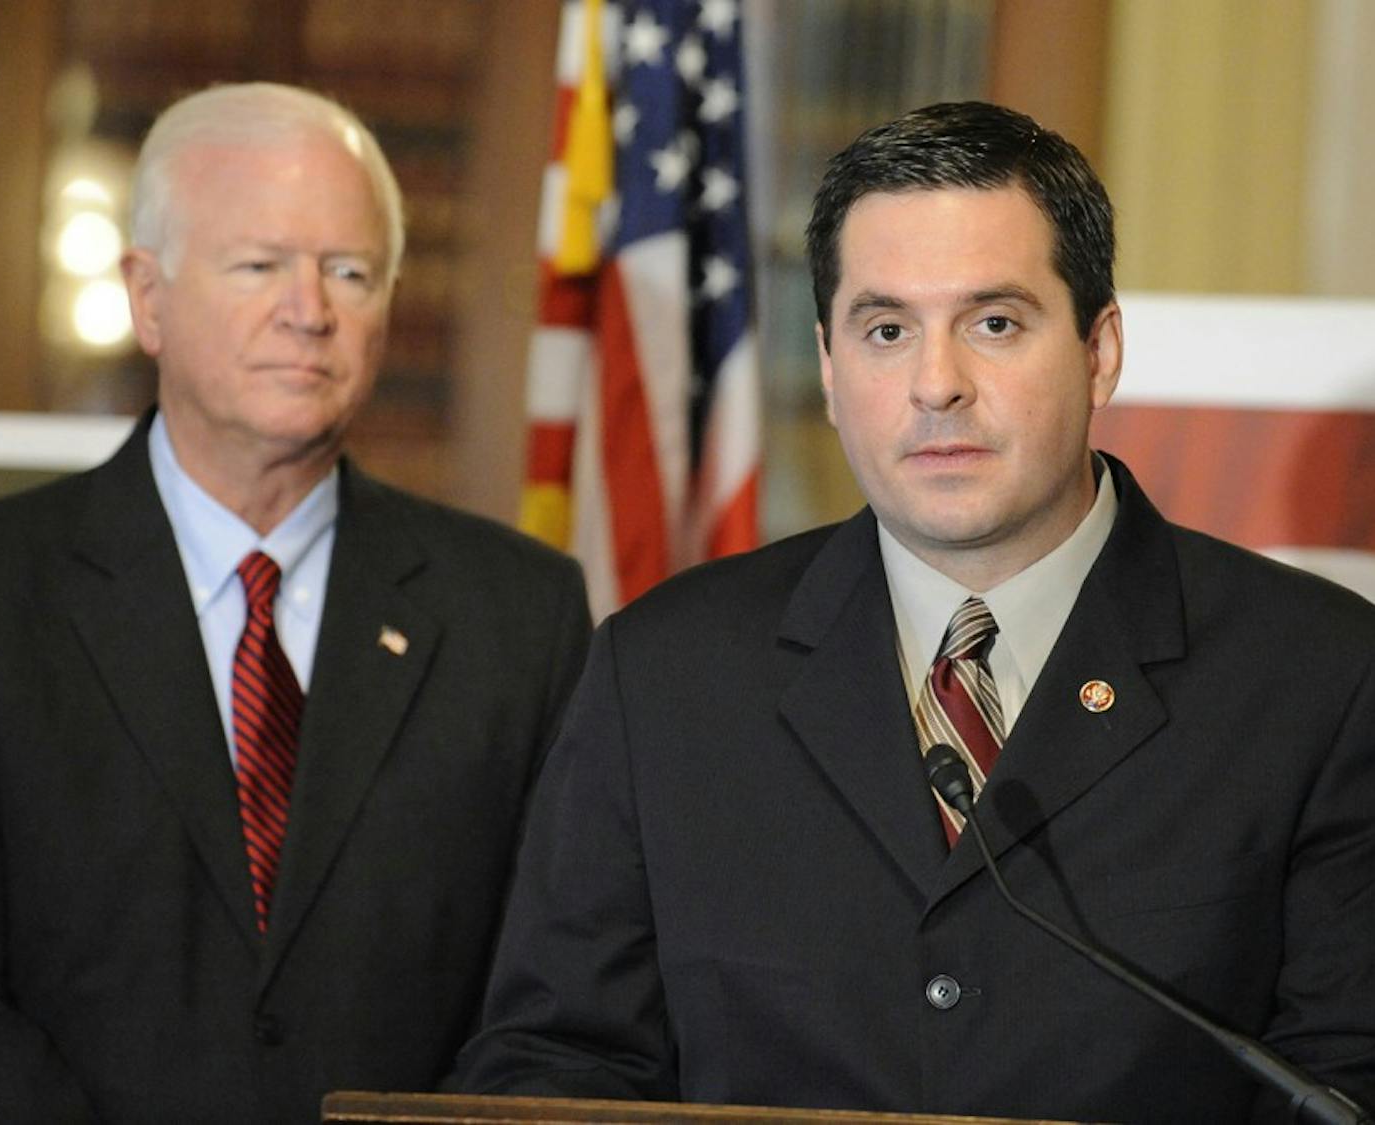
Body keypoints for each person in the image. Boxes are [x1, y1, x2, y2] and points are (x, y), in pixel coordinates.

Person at [454, 102, 1375, 1122]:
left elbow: (1344, 1081)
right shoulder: (665, 672)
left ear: (1100, 350)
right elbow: (557, 1064)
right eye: (887, 330)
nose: (938, 385)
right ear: (834, 371)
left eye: (994, 324)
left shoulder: (1322, 679)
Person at [0, 82, 591, 1123]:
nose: (309, 310)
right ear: (148, 297)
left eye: (349, 271)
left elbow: (556, 996)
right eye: (259, 265)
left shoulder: (520, 614)